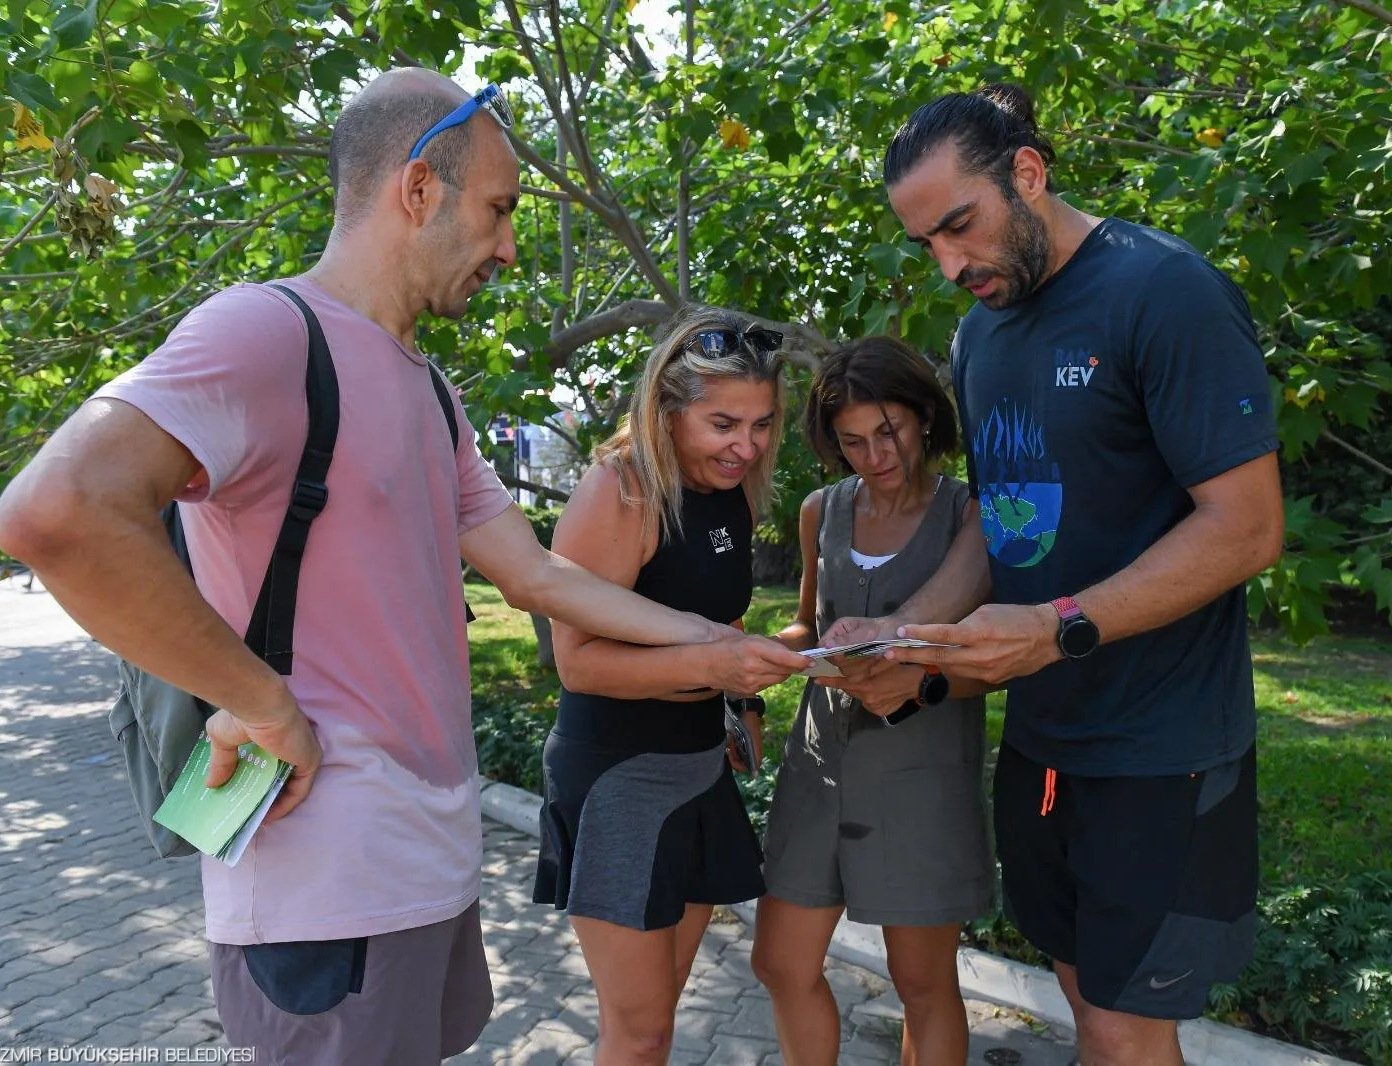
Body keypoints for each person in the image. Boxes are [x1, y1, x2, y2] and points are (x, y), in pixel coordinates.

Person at [0, 69, 794, 1066]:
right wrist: (259, 700)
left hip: (428, 862)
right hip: (323, 876)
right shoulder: (266, 332)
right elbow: (53, 511)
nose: (508, 246)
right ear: (418, 189)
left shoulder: (431, 390)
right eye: (499, 210)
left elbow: (538, 580)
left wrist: (724, 645)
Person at [831, 84, 1286, 1066]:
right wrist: (901, 631)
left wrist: (1056, 627)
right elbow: (1006, 530)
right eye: (927, 245)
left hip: (1162, 747)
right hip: (1045, 740)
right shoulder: (980, 333)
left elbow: (1246, 529)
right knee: (1090, 1014)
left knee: (1127, 1035)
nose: (950, 265)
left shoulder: (1165, 291)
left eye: (960, 226)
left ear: (1027, 175)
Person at [533, 306, 810, 1066]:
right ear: (666, 407)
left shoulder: (732, 487)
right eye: (723, 423)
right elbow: (578, 663)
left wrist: (744, 690)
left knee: (661, 1012)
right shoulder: (619, 489)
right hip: (621, 773)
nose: (745, 445)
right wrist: (714, 667)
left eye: (760, 424)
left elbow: (714, 624)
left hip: (697, 765)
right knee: (640, 1032)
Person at [750, 337, 992, 1066]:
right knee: (780, 964)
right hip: (816, 768)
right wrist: (771, 650)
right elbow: (808, 620)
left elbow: (997, 656)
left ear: (923, 418)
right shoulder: (821, 509)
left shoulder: (971, 517)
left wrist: (916, 668)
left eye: (888, 432)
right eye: (851, 441)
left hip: (922, 777)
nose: (873, 455)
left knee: (922, 985)